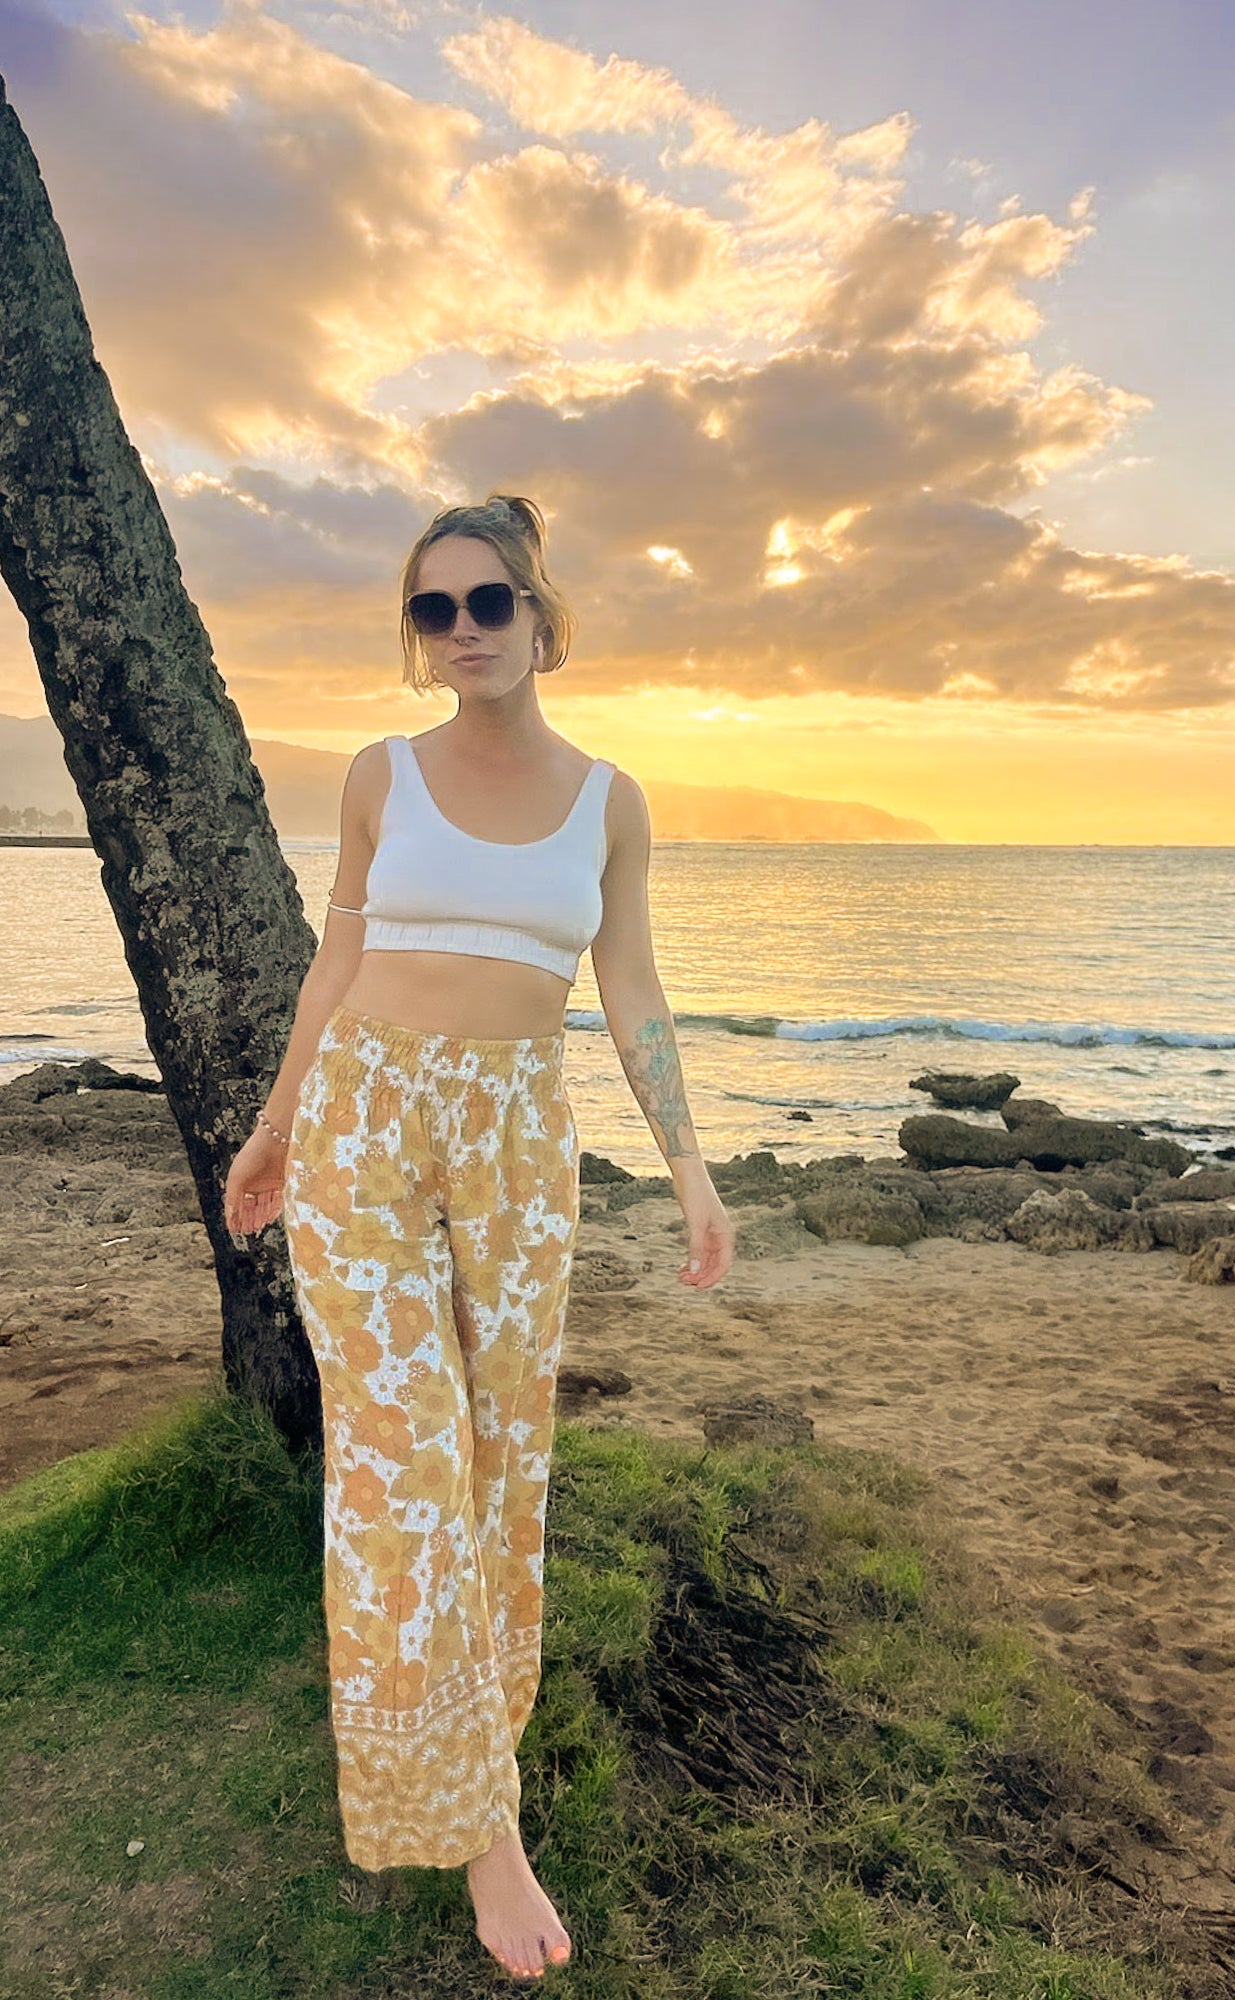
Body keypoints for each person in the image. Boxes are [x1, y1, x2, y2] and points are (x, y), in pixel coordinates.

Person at [222, 492, 736, 1982]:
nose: (462, 634)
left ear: (540, 614)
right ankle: (476, 1824)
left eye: (488, 603)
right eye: (434, 611)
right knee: (406, 1461)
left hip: (520, 1133)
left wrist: (692, 1170)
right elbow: (339, 956)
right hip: (367, 1122)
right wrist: (273, 1125)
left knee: (504, 1458)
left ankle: (475, 1755)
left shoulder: (609, 800)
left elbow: (633, 992)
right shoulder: (380, 776)